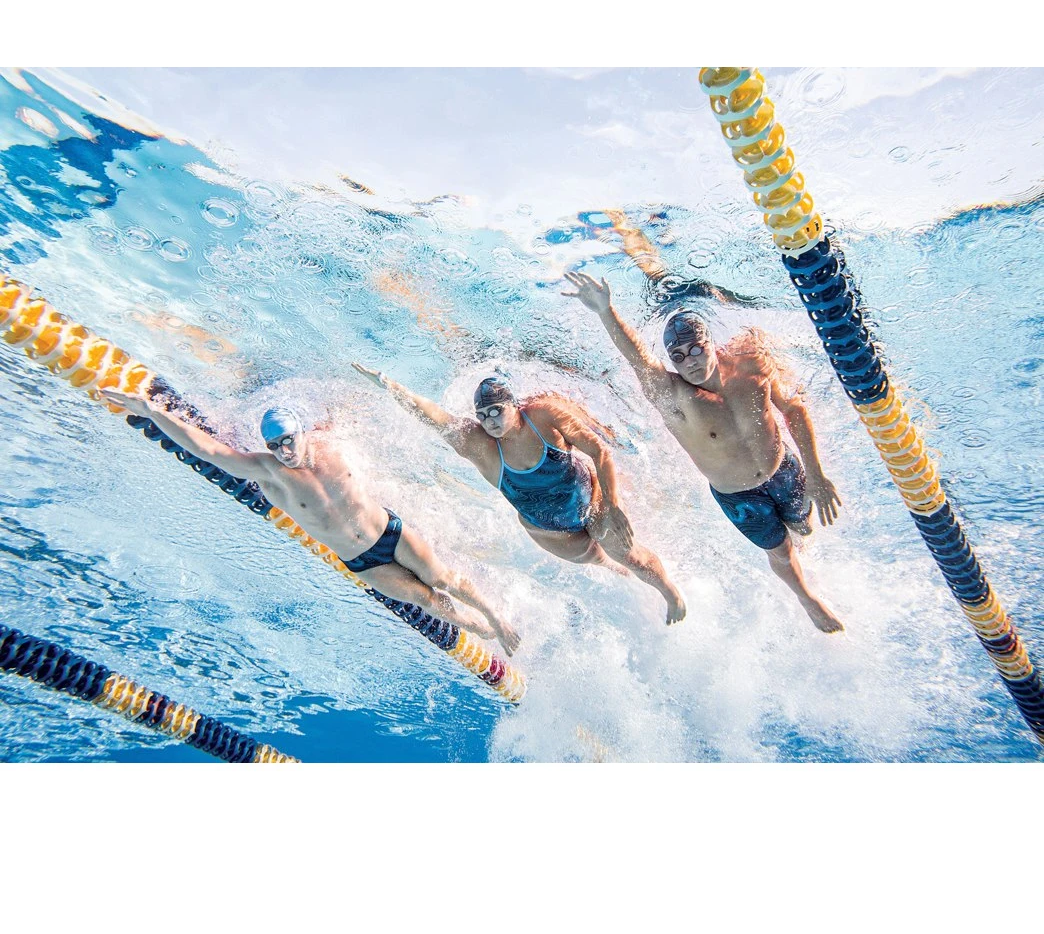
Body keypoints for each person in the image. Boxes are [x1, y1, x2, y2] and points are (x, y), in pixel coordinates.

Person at [99, 388, 520, 655]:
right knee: (426, 601)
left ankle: (498, 620)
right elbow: (207, 451)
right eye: (275, 445)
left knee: (443, 578)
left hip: (390, 532)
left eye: (288, 439)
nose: (284, 450)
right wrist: (150, 411)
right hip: (363, 562)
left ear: (301, 432)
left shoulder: (329, 441)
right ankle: (481, 630)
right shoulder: (269, 472)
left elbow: (353, 408)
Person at [562, 271, 844, 633]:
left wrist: (816, 475)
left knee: (804, 528)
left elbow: (794, 410)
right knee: (780, 551)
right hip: (740, 496)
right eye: (678, 357)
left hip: (784, 469)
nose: (690, 362)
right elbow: (639, 359)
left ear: (711, 342)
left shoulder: (752, 363)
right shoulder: (676, 398)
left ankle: (802, 550)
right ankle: (807, 598)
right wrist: (606, 311)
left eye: (696, 349)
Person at [351, 365, 687, 625]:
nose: (490, 421)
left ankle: (669, 592)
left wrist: (613, 505)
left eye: (496, 410)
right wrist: (390, 386)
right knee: (604, 561)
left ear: (515, 405)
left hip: (591, 501)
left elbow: (599, 451)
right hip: (550, 532)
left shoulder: (544, 417)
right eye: (483, 416)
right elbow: (436, 418)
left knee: (626, 553)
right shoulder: (481, 447)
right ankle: (629, 580)